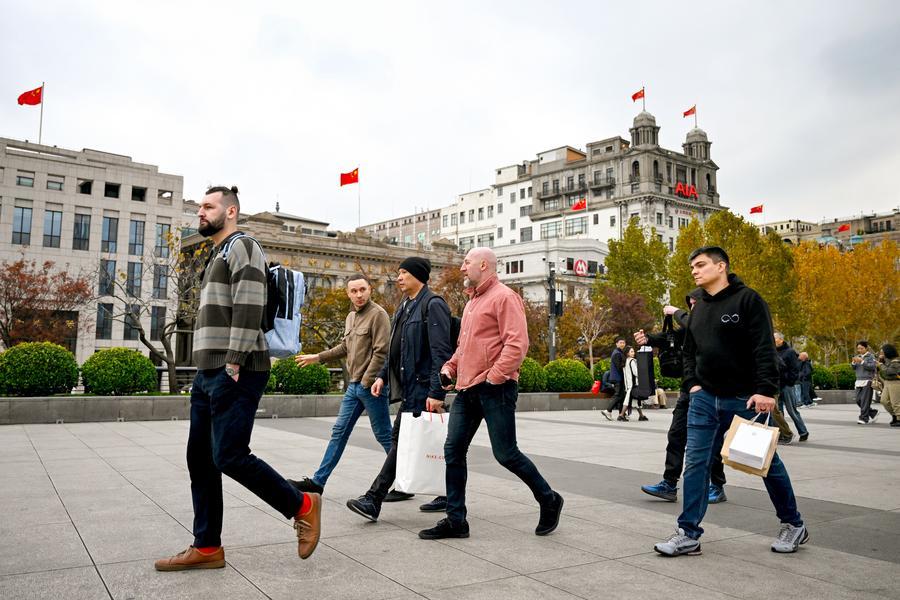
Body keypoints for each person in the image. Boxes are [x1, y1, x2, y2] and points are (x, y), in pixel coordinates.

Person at [155, 186, 321, 571]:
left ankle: (302, 504)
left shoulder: (243, 246)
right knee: (201, 460)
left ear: (230, 212)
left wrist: (234, 359)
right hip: (209, 370)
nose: (200, 211)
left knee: (229, 455)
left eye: (208, 206)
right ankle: (207, 547)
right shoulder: (216, 253)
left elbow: (250, 302)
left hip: (236, 368)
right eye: (200, 206)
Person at [654, 246, 807, 557]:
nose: (694, 271)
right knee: (696, 462)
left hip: (744, 399)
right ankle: (688, 533)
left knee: (766, 463)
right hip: (704, 399)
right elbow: (689, 352)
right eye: (692, 266)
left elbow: (764, 349)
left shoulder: (748, 300)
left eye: (700, 265)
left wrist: (765, 390)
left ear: (721, 266)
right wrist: (693, 384)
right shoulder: (698, 308)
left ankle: (793, 524)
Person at [419, 247, 563, 540]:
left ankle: (548, 499)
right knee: (453, 451)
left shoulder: (505, 297)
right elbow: (465, 347)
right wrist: (450, 367)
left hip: (495, 389)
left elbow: (517, 345)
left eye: (466, 262)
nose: (461, 268)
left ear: (483, 265)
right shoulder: (472, 302)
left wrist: (493, 379)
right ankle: (456, 520)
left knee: (506, 454)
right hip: (467, 390)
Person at [346, 257, 452, 522]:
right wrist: (382, 376)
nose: (399, 277)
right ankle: (447, 492)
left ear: (418, 275)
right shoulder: (404, 306)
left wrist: (437, 392)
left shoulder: (433, 304)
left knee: (401, 442)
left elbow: (441, 353)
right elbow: (396, 348)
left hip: (424, 389)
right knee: (406, 442)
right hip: (408, 389)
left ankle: (373, 498)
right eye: (399, 273)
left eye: (404, 272)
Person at [290, 274, 392, 495]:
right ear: (348, 293)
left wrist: (367, 381)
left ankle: (405, 480)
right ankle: (318, 482)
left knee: (384, 435)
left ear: (370, 289)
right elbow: (344, 347)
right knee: (339, 432)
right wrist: (317, 357)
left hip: (371, 387)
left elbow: (382, 352)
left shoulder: (379, 315)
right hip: (354, 388)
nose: (359, 295)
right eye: (354, 291)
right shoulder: (351, 317)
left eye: (362, 289)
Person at [637, 289, 728, 505]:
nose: (693, 306)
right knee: (676, 435)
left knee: (711, 441)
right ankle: (669, 483)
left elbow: (691, 323)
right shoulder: (689, 328)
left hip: (713, 392)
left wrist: (676, 311)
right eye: (691, 303)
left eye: (696, 302)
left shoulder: (712, 322)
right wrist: (647, 338)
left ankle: (717, 485)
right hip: (690, 390)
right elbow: (671, 336)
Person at [774, 333, 809, 442]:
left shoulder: (790, 352)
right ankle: (783, 434)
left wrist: (789, 382)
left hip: (787, 386)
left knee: (792, 410)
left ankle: (803, 431)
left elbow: (795, 369)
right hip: (777, 386)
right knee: (778, 413)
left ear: (781, 339)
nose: (773, 340)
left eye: (774, 338)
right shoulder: (773, 351)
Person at [852, 341, 879, 424]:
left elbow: (872, 367)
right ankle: (873, 412)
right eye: (858, 348)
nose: (859, 350)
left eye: (861, 348)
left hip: (867, 381)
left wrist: (862, 362)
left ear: (866, 348)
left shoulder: (871, 356)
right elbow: (854, 368)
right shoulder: (858, 356)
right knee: (858, 400)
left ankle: (864, 418)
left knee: (864, 400)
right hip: (858, 380)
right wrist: (853, 363)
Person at [601, 338, 627, 420]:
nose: (622, 344)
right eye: (620, 342)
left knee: (621, 395)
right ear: (617, 344)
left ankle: (621, 414)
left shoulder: (619, 352)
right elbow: (619, 367)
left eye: (623, 342)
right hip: (617, 378)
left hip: (618, 377)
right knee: (618, 395)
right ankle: (608, 410)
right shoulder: (617, 353)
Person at [621, 347, 648, 421]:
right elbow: (636, 373)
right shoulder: (632, 361)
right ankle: (621, 415)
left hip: (628, 384)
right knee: (628, 400)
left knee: (636, 400)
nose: (633, 353)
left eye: (633, 351)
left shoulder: (625, 361)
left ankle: (641, 415)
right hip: (633, 384)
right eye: (631, 352)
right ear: (627, 353)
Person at [877, 344, 900, 427]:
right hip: (887, 382)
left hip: (895, 382)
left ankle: (899, 418)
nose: (881, 354)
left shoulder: (897, 361)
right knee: (884, 400)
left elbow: (889, 371)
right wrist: (880, 361)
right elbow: (880, 370)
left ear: (888, 352)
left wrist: (880, 364)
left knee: (895, 402)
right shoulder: (886, 360)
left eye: (882, 352)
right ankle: (894, 415)